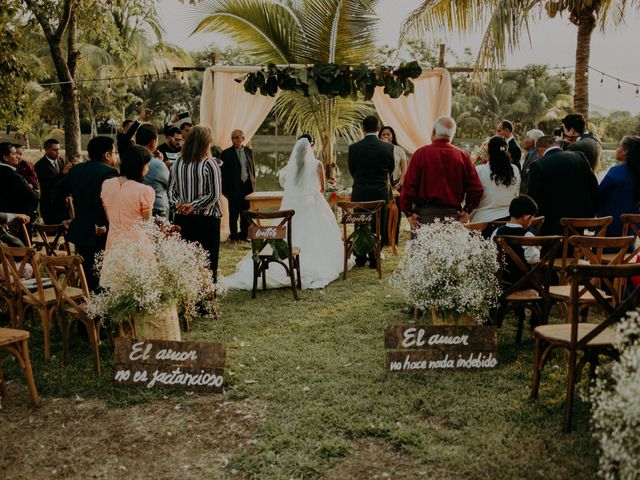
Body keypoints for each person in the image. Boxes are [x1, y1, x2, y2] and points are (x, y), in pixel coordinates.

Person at [221, 136, 348, 290]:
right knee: (317, 231)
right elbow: (322, 189)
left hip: (294, 206)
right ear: (311, 146)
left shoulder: (292, 165)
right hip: (313, 204)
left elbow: (291, 187)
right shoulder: (317, 164)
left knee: (293, 230)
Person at [53, 136, 118, 291]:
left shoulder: (77, 169)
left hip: (81, 227)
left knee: (86, 273)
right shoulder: (110, 172)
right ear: (107, 155)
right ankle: (99, 310)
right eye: (114, 152)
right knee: (103, 275)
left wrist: (65, 217)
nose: (116, 156)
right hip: (102, 229)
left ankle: (88, 305)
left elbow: (56, 191)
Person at [401, 116, 483, 227]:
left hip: (425, 217)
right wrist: (467, 210)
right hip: (453, 217)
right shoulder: (463, 156)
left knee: (424, 245)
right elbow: (476, 188)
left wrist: (409, 213)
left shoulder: (420, 154)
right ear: (452, 134)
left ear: (434, 131)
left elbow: (408, 187)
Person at [168, 125, 222, 280]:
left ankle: (188, 300)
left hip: (182, 218)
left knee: (186, 261)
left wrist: (177, 204)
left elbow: (170, 191)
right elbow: (214, 194)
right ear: (206, 143)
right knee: (208, 262)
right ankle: (207, 300)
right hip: (206, 220)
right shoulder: (210, 163)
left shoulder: (178, 162)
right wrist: (194, 206)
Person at [527, 135, 599, 237]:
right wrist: (590, 216)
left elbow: (533, 197)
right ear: (556, 145)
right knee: (574, 250)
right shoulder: (580, 156)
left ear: (539, 150)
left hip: (550, 224)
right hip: (578, 222)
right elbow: (593, 187)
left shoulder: (538, 165)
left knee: (551, 252)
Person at [348, 116, 395, 267]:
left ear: (363, 128)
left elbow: (352, 170)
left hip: (360, 193)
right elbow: (391, 169)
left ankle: (360, 257)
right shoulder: (388, 148)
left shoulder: (354, 148)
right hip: (380, 193)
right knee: (378, 225)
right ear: (378, 127)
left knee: (360, 223)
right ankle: (375, 258)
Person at [101, 145, 155, 252]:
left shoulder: (107, 184)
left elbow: (108, 216)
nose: (148, 168)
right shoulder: (144, 190)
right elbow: (147, 220)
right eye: (147, 165)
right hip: (136, 241)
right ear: (139, 166)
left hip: (113, 240)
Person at [491, 195, 541, 285]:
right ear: (526, 217)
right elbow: (532, 259)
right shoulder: (528, 236)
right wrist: (537, 249)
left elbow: (492, 254)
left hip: (501, 282)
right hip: (521, 283)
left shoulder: (496, 232)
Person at [470, 136, 520, 223]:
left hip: (484, 220)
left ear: (488, 151)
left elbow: (473, 196)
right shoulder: (515, 169)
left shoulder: (479, 170)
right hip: (509, 219)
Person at [598, 135, 640, 237]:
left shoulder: (616, 172)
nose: (617, 149)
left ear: (626, 151)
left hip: (608, 232)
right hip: (630, 235)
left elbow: (598, 196)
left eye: (619, 146)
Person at [221, 129, 255, 242]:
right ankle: (234, 236)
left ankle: (244, 235)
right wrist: (224, 191)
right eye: (233, 138)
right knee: (234, 214)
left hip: (247, 187)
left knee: (245, 213)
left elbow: (252, 170)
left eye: (237, 137)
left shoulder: (249, 152)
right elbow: (223, 174)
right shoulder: (226, 153)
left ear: (243, 138)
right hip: (233, 188)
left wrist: (253, 186)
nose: (234, 140)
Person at [379, 125, 407, 245]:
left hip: (396, 183)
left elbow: (404, 169)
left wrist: (400, 183)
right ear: (380, 136)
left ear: (392, 136)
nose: (386, 136)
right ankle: (383, 238)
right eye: (383, 134)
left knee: (396, 211)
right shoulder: (378, 149)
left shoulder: (399, 150)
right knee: (383, 211)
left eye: (388, 134)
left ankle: (393, 239)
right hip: (382, 184)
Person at [137, 124, 170, 218]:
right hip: (156, 211)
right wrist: (160, 163)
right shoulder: (156, 164)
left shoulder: (129, 160)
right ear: (153, 142)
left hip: (135, 209)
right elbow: (171, 184)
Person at [34, 138, 70, 224]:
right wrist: (63, 173)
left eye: (59, 149)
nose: (58, 152)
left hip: (63, 204)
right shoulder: (40, 165)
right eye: (55, 150)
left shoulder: (61, 160)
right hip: (49, 204)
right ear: (46, 150)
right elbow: (48, 183)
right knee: (53, 233)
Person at [0, 142, 39, 220]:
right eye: (14, 154)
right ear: (5, 158)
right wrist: (33, 191)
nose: (18, 156)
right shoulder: (12, 175)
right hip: (20, 219)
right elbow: (32, 197)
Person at [520, 129, 544, 194]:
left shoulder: (537, 158)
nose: (524, 140)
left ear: (535, 141)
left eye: (527, 138)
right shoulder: (529, 155)